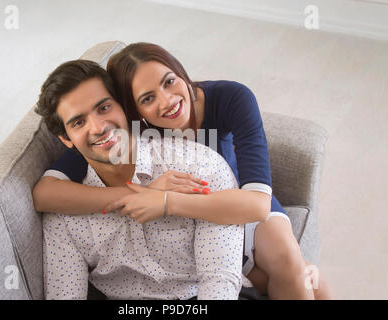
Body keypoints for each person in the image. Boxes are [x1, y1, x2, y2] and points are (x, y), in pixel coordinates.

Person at [33, 43, 334, 299]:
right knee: (311, 283)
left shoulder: (228, 103)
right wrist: (138, 195)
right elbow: (46, 193)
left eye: (169, 81)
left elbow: (255, 206)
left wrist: (165, 202)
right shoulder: (115, 139)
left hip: (237, 197)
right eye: (147, 98)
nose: (167, 102)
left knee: (290, 264)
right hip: (202, 225)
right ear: (134, 110)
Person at [35, 59, 243, 300]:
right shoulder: (63, 216)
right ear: (65, 138)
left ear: (123, 107)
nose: (99, 127)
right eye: (79, 122)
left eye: (104, 108)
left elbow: (219, 280)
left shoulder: (198, 166)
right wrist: (138, 194)